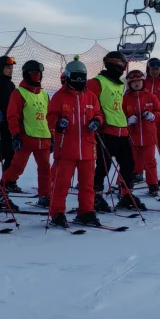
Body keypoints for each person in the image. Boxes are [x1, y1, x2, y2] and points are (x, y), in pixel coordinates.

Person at [46, 59, 104, 227]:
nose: (79, 82)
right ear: (69, 77)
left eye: (82, 78)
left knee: (87, 184)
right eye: (76, 78)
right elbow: (50, 117)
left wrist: (97, 121)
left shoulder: (91, 96)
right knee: (61, 183)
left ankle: (86, 211)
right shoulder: (59, 96)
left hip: (87, 147)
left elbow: (99, 113)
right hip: (66, 148)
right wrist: (57, 123)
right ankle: (57, 213)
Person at [88, 50, 140, 211]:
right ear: (114, 64)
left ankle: (126, 195)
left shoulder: (119, 83)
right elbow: (90, 104)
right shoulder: (96, 82)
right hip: (106, 130)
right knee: (103, 166)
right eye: (122, 65)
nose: (124, 69)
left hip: (121, 130)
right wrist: (97, 122)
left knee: (129, 164)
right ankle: (95, 197)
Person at [4, 59, 52, 206]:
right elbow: (13, 116)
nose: (37, 75)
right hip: (26, 138)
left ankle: (45, 195)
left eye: (39, 73)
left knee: (45, 169)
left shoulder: (44, 95)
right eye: (34, 73)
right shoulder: (19, 93)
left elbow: (49, 117)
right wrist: (15, 135)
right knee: (17, 168)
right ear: (27, 74)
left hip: (43, 138)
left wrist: (53, 137)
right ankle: (1, 192)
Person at [123, 69, 160, 201]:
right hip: (132, 137)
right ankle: (126, 186)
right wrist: (127, 120)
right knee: (130, 162)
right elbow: (120, 115)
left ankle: (153, 185)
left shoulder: (151, 96)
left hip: (149, 136)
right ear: (129, 84)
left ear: (143, 82)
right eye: (133, 82)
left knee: (150, 161)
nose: (137, 84)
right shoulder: (124, 99)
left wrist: (153, 116)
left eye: (139, 82)